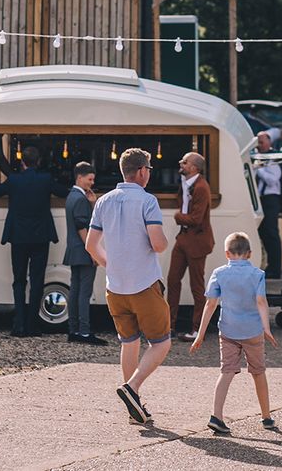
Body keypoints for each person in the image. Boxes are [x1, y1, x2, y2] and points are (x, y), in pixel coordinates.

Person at [86, 148, 171, 425]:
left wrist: (108, 263)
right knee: (161, 342)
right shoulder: (148, 201)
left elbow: (91, 245)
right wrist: (165, 242)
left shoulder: (103, 201)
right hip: (144, 283)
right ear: (143, 171)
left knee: (129, 342)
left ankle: (133, 409)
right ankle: (132, 388)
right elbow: (157, 244)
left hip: (116, 286)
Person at [190, 231, 278, 434]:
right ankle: (266, 416)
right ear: (249, 253)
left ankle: (216, 415)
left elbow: (211, 304)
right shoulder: (258, 275)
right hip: (253, 331)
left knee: (226, 371)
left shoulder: (219, 273)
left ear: (227, 253)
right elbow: (261, 301)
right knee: (258, 372)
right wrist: (266, 328)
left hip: (228, 330)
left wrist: (201, 333)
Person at [0, 146, 69, 337]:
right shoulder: (46, 179)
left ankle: (19, 325)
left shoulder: (14, 180)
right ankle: (33, 325)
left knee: (18, 280)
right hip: (40, 236)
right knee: (37, 280)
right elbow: (63, 192)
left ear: (22, 162)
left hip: (18, 236)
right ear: (39, 161)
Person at [167, 152, 214, 342]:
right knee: (172, 281)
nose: (181, 163)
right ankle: (169, 325)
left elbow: (195, 219)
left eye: (184, 162)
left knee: (197, 286)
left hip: (197, 241)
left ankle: (196, 329)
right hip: (183, 238)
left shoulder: (201, 187)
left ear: (194, 168)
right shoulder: (186, 182)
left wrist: (178, 217)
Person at [63, 161, 106, 346]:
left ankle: (73, 329)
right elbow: (82, 227)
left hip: (74, 249)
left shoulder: (71, 196)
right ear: (80, 177)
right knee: (84, 292)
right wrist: (93, 251)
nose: (92, 183)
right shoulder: (80, 199)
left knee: (75, 290)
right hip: (84, 250)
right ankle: (85, 331)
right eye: (90, 179)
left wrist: (93, 203)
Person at [255, 130, 282, 279]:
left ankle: (275, 269)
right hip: (260, 198)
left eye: (262, 142)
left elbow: (273, 180)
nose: (259, 145)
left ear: (269, 142)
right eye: (258, 142)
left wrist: (259, 170)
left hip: (271, 198)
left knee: (271, 233)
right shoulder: (257, 157)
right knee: (263, 233)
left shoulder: (273, 158)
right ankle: (269, 267)